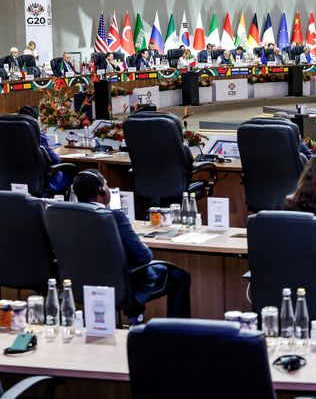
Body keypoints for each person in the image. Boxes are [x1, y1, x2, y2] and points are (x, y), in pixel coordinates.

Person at [72, 169, 191, 321]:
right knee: (180, 277)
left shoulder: (68, 215)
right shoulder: (113, 216)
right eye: (106, 185)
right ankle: (177, 335)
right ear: (101, 190)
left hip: (81, 283)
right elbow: (143, 257)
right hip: (123, 283)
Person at [18, 106, 69, 194]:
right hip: (37, 182)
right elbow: (56, 160)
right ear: (35, 120)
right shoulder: (38, 135)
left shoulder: (6, 135)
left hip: (9, 184)